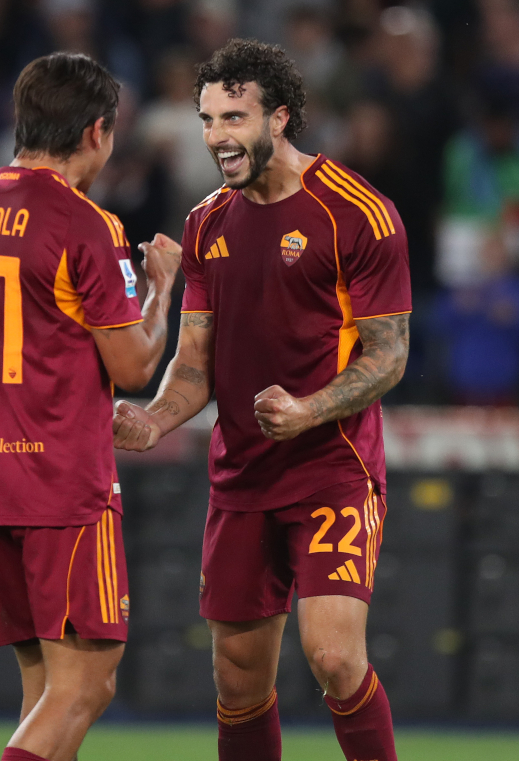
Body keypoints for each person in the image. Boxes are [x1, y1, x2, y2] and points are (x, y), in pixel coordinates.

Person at [113, 39, 410, 761]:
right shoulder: (206, 222)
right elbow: (194, 367)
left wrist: (309, 410)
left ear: (279, 118)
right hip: (241, 481)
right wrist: (153, 419)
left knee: (335, 658)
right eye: (207, 118)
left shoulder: (358, 213)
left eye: (233, 117)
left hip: (332, 471)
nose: (216, 136)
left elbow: (390, 354)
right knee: (239, 680)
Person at [0, 52, 180, 761]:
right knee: (87, 683)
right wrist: (161, 289)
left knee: (45, 687)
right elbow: (132, 365)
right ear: (98, 131)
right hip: (61, 483)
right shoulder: (86, 224)